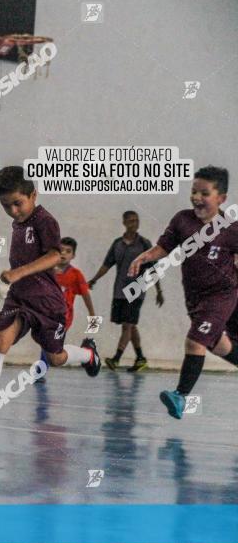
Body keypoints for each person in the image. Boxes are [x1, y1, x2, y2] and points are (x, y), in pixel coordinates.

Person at [0, 167, 101, 425]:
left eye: (17, 203)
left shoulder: (44, 221)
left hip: (47, 304)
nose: (13, 211)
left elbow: (55, 256)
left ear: (33, 195)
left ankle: (89, 355)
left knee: (56, 357)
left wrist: (18, 273)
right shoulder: (18, 223)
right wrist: (17, 281)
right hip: (19, 300)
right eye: (6, 206)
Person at [128, 166, 238, 419]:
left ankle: (180, 396)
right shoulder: (182, 220)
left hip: (221, 295)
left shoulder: (231, 229)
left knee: (195, 341)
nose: (197, 197)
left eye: (205, 193)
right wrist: (145, 257)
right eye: (194, 191)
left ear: (221, 198)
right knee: (219, 346)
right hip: (195, 297)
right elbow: (164, 246)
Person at [88, 210, 164, 371]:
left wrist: (159, 291)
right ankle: (140, 358)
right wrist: (94, 279)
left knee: (127, 326)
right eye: (130, 221)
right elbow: (106, 265)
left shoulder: (144, 244)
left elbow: (153, 269)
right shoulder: (117, 244)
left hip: (137, 290)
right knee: (130, 325)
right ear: (124, 223)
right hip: (119, 291)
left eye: (136, 220)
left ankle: (116, 359)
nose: (134, 224)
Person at [55, 237, 96, 331]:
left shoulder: (76, 274)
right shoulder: (47, 271)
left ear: (73, 256)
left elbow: (86, 294)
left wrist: (92, 315)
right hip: (46, 314)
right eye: (61, 250)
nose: (63, 253)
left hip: (64, 317)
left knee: (55, 341)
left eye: (68, 251)